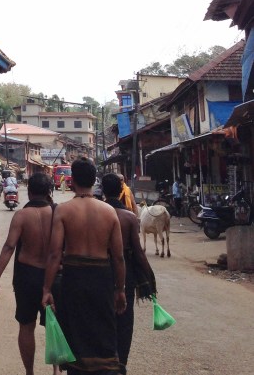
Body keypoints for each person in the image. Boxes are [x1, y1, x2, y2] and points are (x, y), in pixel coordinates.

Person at [42, 157, 126, 375]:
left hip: (74, 276)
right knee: (104, 328)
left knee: (76, 329)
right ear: (93, 180)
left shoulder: (63, 210)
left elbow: (54, 254)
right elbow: (118, 257)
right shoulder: (109, 212)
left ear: (73, 181)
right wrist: (120, 289)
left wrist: (47, 289)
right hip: (102, 276)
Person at [0, 173, 60, 375]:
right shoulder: (57, 214)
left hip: (27, 276)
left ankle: (30, 372)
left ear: (28, 192)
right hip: (52, 276)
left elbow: (9, 247)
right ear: (49, 192)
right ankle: (56, 370)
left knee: (26, 326)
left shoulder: (21, 215)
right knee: (53, 324)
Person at [101, 173, 156, 375]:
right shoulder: (129, 217)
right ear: (121, 190)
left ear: (104, 192)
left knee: (105, 314)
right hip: (127, 271)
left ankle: (105, 358)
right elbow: (138, 251)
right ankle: (120, 363)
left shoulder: (100, 214)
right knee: (124, 318)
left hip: (102, 269)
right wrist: (149, 274)